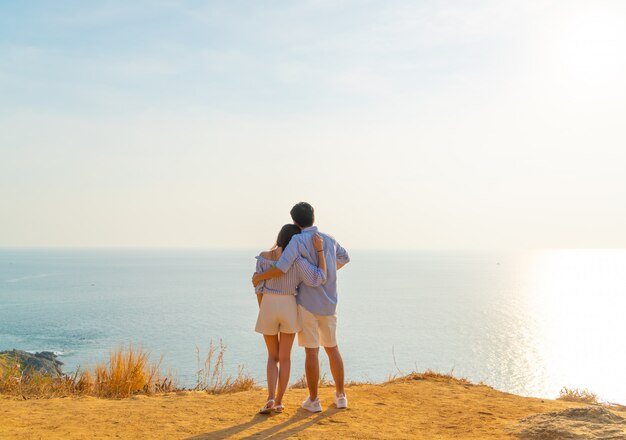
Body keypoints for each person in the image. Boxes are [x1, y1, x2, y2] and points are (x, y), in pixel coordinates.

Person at [253, 202, 350, 412]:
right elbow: (345, 257)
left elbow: (282, 267)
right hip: (329, 302)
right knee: (333, 349)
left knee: (311, 353)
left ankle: (313, 400)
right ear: (314, 216)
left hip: (307, 304)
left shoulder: (297, 240)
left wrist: (259, 278)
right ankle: (341, 396)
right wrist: (330, 273)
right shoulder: (329, 238)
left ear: (295, 220)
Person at [254, 224, 329, 414]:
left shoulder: (263, 256)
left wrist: (263, 309)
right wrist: (320, 253)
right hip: (288, 305)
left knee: (272, 357)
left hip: (268, 305)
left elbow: (258, 286)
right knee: (285, 358)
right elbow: (316, 279)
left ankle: (270, 398)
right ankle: (279, 401)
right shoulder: (297, 260)